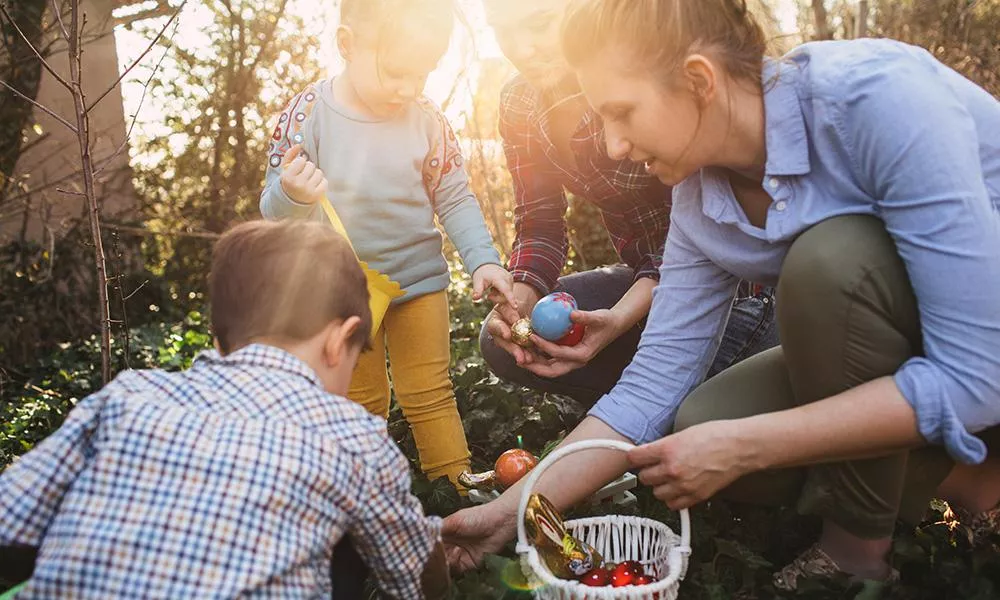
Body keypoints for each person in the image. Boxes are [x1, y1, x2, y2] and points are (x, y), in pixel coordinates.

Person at [444, 0, 1000, 590]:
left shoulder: (873, 99)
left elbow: (978, 372)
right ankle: (968, 478)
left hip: (982, 339)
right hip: (908, 347)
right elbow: (653, 382)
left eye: (622, 114)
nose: (611, 147)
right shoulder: (698, 198)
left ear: (698, 80)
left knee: (831, 261)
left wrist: (750, 444)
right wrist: (510, 515)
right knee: (701, 419)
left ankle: (862, 544)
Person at [0, 220, 449, 599]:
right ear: (339, 340)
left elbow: (9, 524)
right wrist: (438, 558)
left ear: (217, 339)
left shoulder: (128, 395)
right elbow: (410, 574)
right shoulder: (353, 434)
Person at [260, 0, 515, 486]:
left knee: (431, 392)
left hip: (420, 284)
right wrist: (293, 193)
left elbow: (454, 197)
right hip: (343, 296)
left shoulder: (427, 119)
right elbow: (273, 215)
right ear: (347, 45)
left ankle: (454, 491)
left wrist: (483, 261)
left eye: (423, 74)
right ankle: (362, 498)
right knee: (359, 401)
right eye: (397, 72)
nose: (408, 89)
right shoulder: (307, 114)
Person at [479, 0, 778, 404]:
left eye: (539, 24)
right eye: (503, 30)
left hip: (726, 282)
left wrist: (620, 319)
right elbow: (540, 221)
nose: (521, 47)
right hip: (647, 280)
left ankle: (681, 393)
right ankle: (648, 400)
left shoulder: (641, 85)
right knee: (496, 343)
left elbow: (695, 236)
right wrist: (520, 301)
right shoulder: (520, 104)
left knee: (677, 394)